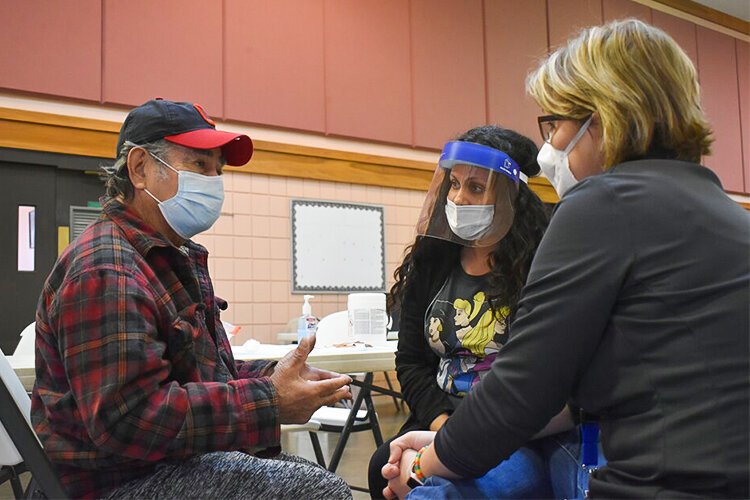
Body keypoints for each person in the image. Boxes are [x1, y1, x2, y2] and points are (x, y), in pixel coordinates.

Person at [381, 18, 749, 499]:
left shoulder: (602, 206)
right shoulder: (727, 213)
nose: (550, 146)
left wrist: (423, 466)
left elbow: (522, 390)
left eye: (553, 125)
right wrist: (446, 437)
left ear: (602, 118)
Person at [32, 98, 354, 499]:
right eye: (199, 164)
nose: (214, 180)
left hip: (163, 466)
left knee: (315, 482)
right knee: (318, 493)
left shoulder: (165, 256)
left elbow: (195, 373)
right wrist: (269, 401)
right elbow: (129, 419)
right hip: (112, 484)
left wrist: (275, 376)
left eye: (217, 169)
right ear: (139, 168)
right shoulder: (107, 269)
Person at [368, 125, 582, 498]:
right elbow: (411, 364)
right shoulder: (432, 261)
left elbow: (542, 376)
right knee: (382, 467)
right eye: (454, 184)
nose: (459, 199)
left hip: (517, 427)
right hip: (439, 417)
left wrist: (462, 443)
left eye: (476, 188)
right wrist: (445, 428)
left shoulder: (540, 265)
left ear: (511, 197)